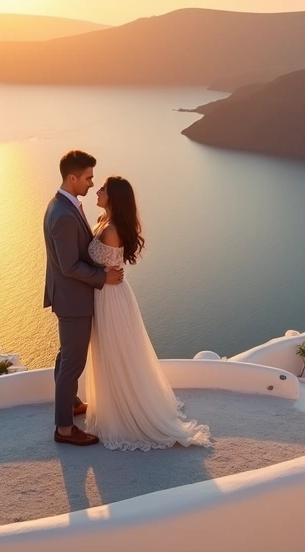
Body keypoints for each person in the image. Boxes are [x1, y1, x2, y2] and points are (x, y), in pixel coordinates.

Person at [82, 175, 212, 451]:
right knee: (114, 352)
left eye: (103, 188)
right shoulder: (105, 223)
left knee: (116, 352)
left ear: (113, 197)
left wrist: (101, 273)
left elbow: (101, 266)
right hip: (110, 293)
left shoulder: (110, 230)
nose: (98, 190)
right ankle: (117, 404)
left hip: (110, 297)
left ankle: (125, 411)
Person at [43, 150, 122, 446]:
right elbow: (69, 266)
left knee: (67, 356)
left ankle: (72, 404)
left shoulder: (65, 204)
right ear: (72, 177)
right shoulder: (63, 215)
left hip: (69, 296)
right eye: (88, 178)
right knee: (72, 363)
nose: (91, 184)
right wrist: (104, 278)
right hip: (73, 300)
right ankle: (64, 428)